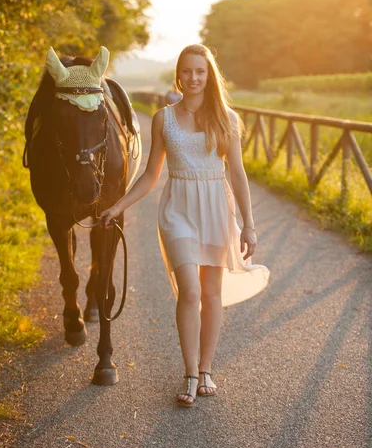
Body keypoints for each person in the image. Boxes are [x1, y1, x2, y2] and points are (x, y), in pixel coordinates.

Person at [101, 43, 269, 407]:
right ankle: (190, 373)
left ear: (209, 76)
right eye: (187, 71)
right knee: (189, 291)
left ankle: (206, 369)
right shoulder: (163, 118)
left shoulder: (227, 118)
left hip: (215, 209)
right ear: (178, 74)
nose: (193, 78)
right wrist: (118, 205)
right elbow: (150, 175)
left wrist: (249, 225)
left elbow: (238, 174)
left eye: (200, 71)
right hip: (178, 210)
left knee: (211, 294)